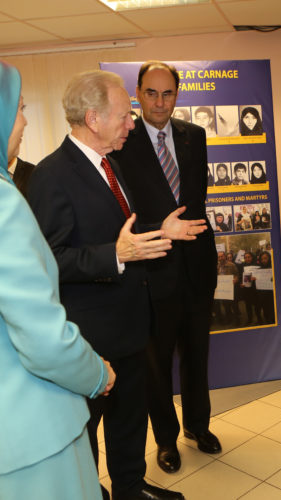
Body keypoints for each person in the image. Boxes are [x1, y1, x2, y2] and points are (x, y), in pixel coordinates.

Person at [28, 70, 198, 500]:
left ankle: (129, 486)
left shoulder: (112, 164)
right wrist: (115, 256)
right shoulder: (52, 175)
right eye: (125, 115)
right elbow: (50, 258)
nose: (132, 123)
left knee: (129, 419)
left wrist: (162, 230)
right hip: (89, 337)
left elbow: (123, 231)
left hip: (131, 325)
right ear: (93, 118)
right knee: (85, 429)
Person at [0, 62, 115, 500]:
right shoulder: (5, 202)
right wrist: (95, 374)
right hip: (28, 435)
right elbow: (42, 336)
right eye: (19, 109)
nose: (26, 121)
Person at [111, 61, 220, 476]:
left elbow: (197, 201)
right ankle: (166, 440)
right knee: (156, 363)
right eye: (152, 93)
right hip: (153, 269)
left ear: (178, 95)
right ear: (138, 93)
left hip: (196, 268)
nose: (160, 102)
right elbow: (126, 211)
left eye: (168, 93)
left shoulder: (195, 136)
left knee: (197, 354)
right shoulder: (124, 139)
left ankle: (198, 426)